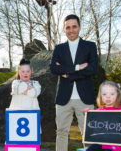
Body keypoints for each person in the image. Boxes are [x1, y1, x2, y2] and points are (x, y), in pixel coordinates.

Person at [50, 14, 98, 151]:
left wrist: (67, 73)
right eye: (68, 27)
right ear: (64, 29)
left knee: (89, 134)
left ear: (79, 27)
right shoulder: (59, 48)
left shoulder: (90, 46)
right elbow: (54, 69)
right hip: (63, 99)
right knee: (61, 133)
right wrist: (77, 67)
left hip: (85, 99)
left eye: (74, 26)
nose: (71, 30)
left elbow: (92, 69)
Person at [85, 80, 121, 151]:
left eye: (112, 94)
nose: (108, 97)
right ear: (100, 96)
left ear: (118, 95)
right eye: (104, 94)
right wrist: (89, 115)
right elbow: (93, 130)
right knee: (91, 149)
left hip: (120, 145)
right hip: (103, 145)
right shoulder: (99, 111)